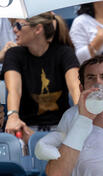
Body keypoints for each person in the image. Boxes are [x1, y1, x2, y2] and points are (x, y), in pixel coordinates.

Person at [3, 12, 80, 145]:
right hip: (27, 129)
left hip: (61, 130)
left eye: (19, 25)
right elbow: (14, 90)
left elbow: (75, 88)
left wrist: (83, 114)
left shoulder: (64, 53)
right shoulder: (14, 55)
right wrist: (13, 115)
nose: (14, 29)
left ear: (38, 29)